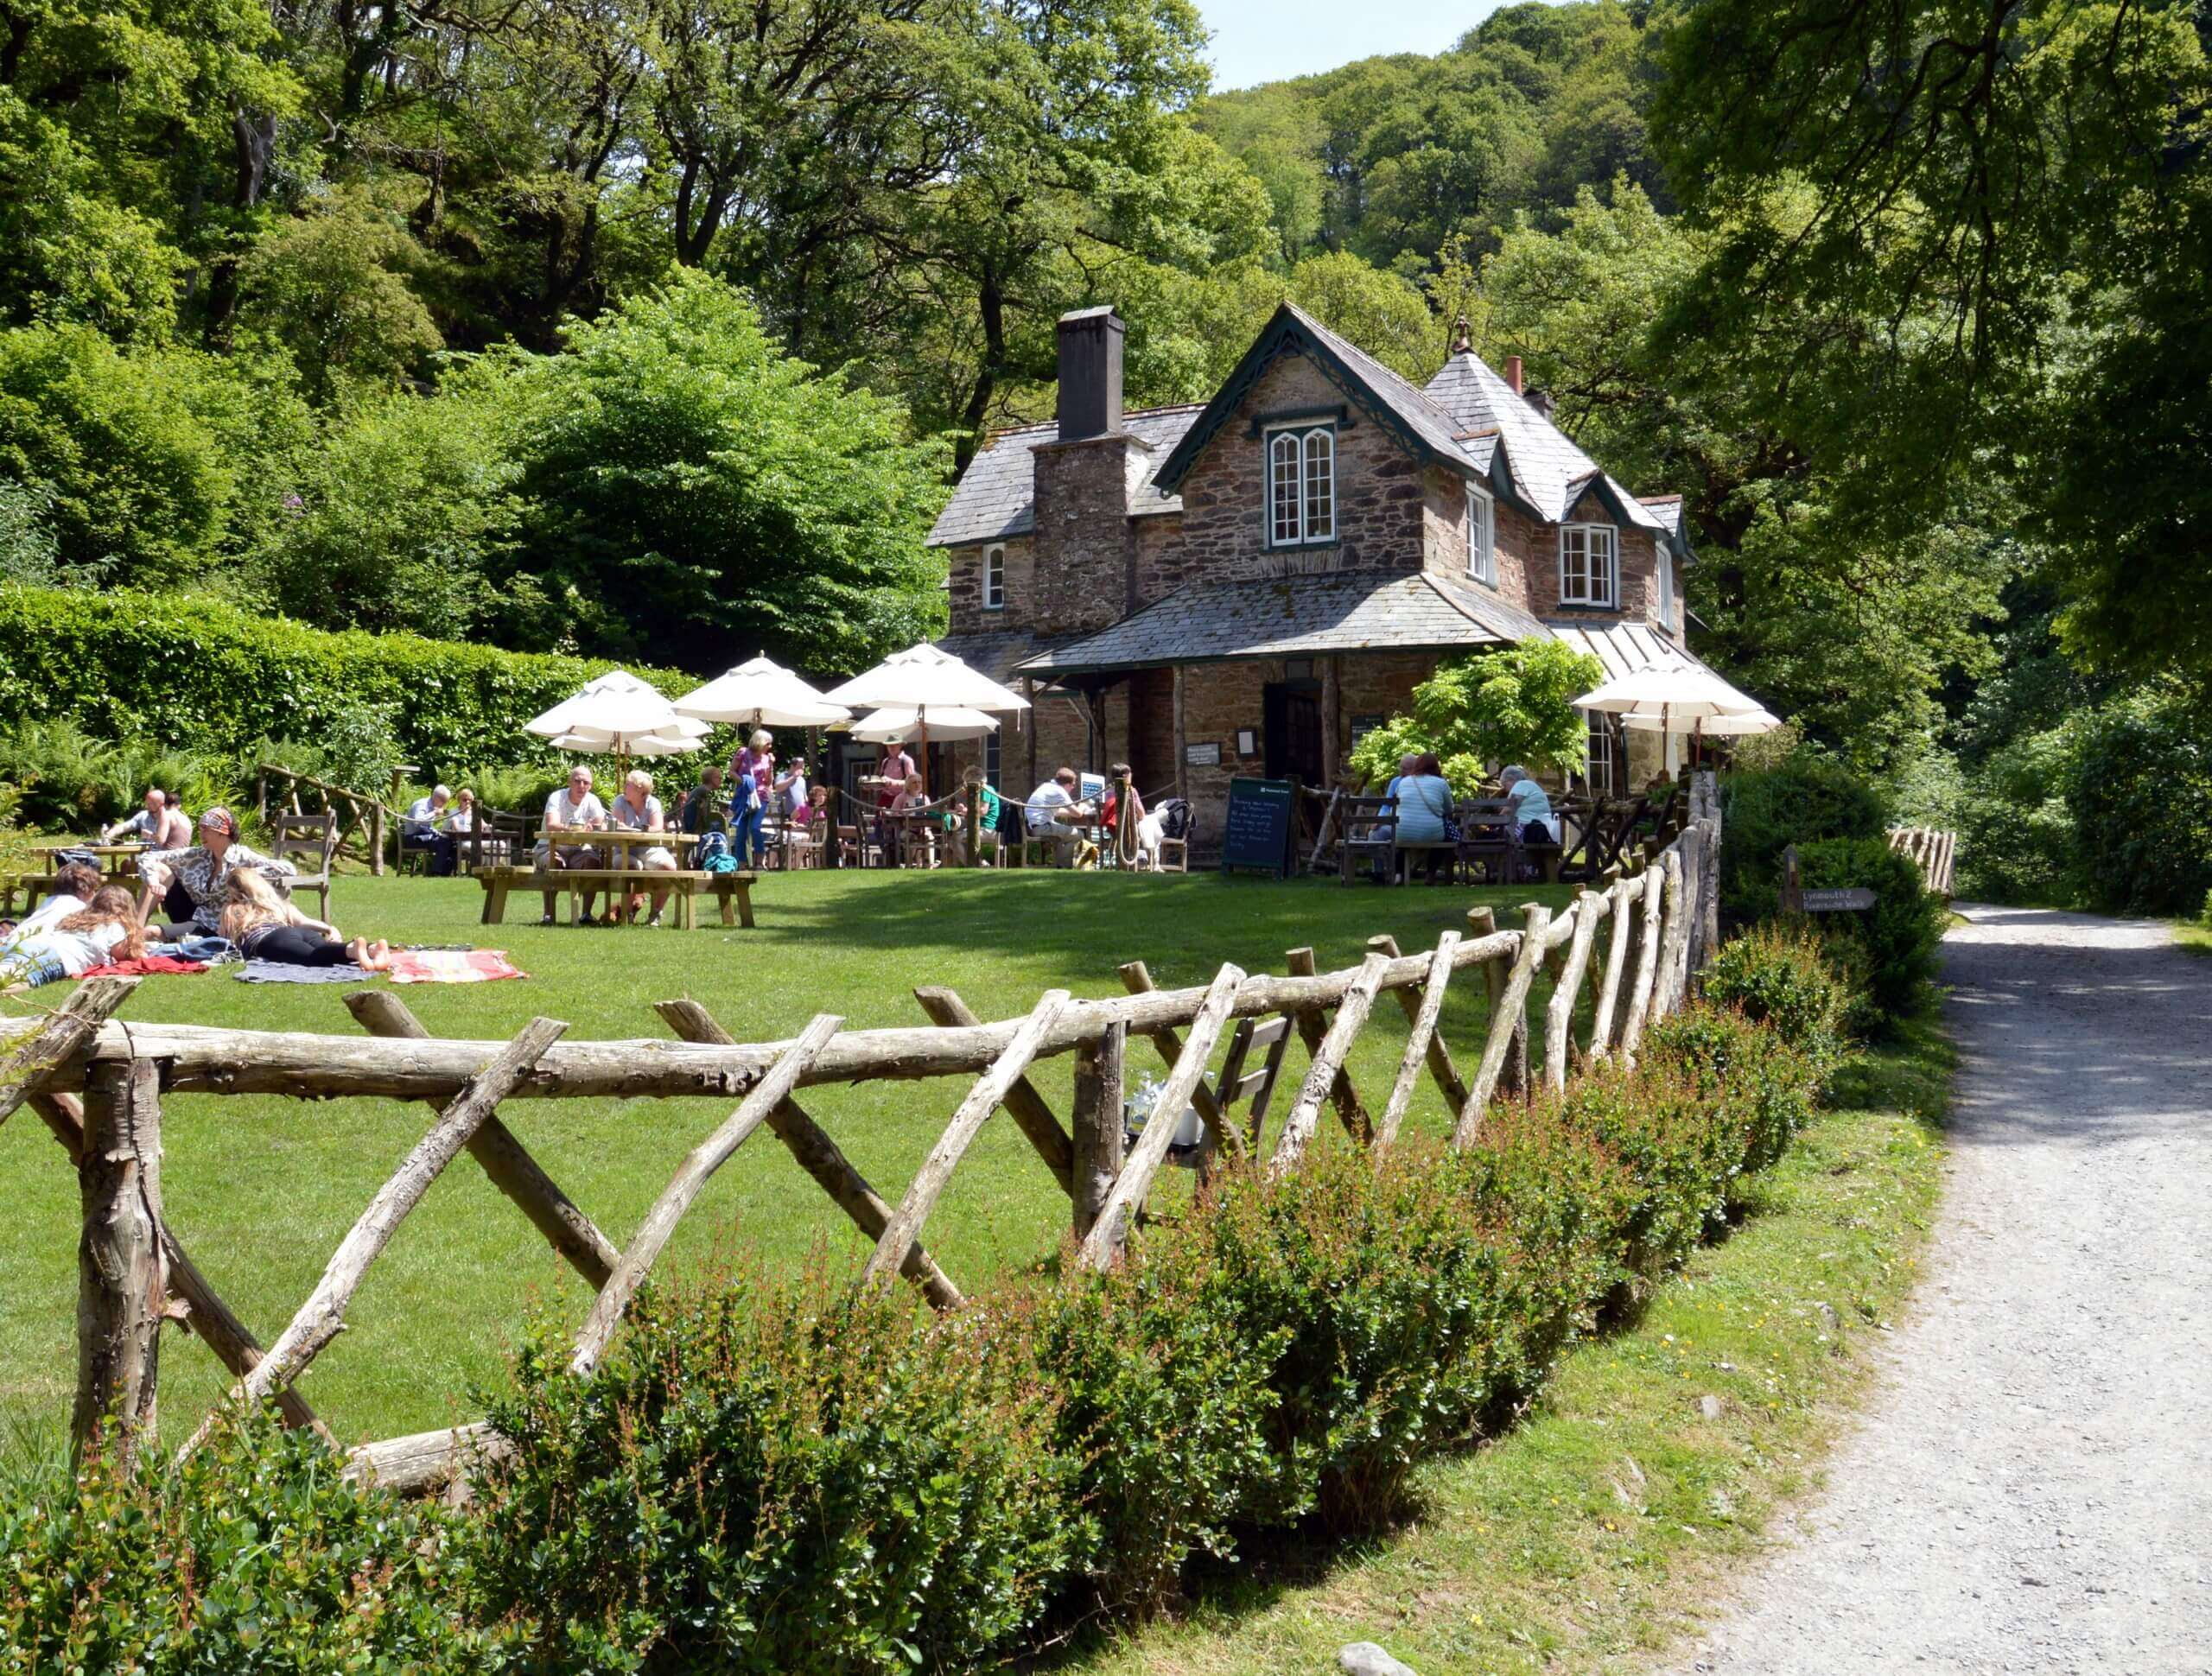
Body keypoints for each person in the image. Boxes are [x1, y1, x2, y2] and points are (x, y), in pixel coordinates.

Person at [138, 808, 296, 937]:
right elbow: (148, 858)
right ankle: (136, 929)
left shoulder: (243, 857)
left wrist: (244, 874)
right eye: (200, 829)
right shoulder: (197, 855)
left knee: (154, 932)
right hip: (189, 912)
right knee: (159, 870)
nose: (201, 834)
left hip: (217, 924)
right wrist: (153, 882)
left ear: (223, 832)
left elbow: (288, 869)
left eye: (206, 830)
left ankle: (140, 937)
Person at [220, 868, 393, 970]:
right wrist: (328, 929)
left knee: (312, 959)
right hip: (298, 932)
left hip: (268, 941)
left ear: (234, 890)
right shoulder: (277, 904)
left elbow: (225, 939)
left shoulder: (232, 909)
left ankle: (356, 949)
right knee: (326, 950)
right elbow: (304, 922)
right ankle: (371, 949)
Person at [0, 886, 145, 991]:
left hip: (27, 944)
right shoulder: (114, 926)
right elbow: (128, 956)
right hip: (52, 956)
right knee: (8, 983)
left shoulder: (74, 918)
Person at [536, 766, 609, 925]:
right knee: (554, 862)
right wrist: (571, 828)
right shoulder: (557, 797)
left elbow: (601, 824)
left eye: (586, 782)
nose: (581, 785)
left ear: (590, 785)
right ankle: (548, 915)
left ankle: (586, 914)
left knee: (593, 862)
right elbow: (551, 825)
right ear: (569, 782)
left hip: (578, 850)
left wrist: (595, 827)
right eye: (577, 781)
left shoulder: (593, 800)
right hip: (549, 847)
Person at [607, 768, 678, 926]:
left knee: (670, 868)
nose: (624, 788)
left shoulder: (653, 802)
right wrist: (637, 829)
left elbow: (658, 827)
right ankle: (627, 914)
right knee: (632, 866)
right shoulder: (620, 801)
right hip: (625, 849)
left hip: (650, 849)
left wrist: (636, 829)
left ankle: (656, 914)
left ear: (640, 790)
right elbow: (617, 825)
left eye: (628, 785)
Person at [1391, 752, 1457, 883]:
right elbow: (1450, 809)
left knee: (1404, 838)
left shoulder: (1404, 782)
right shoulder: (1441, 783)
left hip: (1402, 831)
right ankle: (1431, 874)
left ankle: (1399, 874)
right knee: (1445, 838)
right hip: (1431, 832)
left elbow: (1396, 804)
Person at [0, 862, 102, 943]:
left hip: (11, 942)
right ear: (83, 890)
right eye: (94, 890)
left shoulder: (50, 902)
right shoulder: (79, 908)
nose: (94, 895)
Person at [731, 730, 776, 867]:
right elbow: (731, 772)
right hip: (744, 796)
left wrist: (771, 765)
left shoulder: (767, 758)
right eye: (768, 743)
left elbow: (768, 783)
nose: (770, 747)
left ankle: (759, 860)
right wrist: (743, 782)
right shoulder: (743, 753)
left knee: (756, 828)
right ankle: (742, 862)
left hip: (761, 797)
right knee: (741, 831)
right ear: (760, 742)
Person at [1025, 766, 1082, 866]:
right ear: (1067, 784)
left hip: (1032, 826)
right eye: (1073, 785)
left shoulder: (1046, 786)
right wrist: (1083, 807)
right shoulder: (1060, 791)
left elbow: (1057, 811)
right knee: (1078, 835)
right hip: (1041, 828)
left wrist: (1074, 811)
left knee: (1064, 834)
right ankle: (1062, 865)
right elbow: (1078, 814)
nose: (1073, 787)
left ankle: (1058, 863)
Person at [102, 789, 193, 850]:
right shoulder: (143, 815)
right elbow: (125, 826)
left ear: (161, 804)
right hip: (145, 853)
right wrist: (110, 834)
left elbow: (161, 840)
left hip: (161, 856)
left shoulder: (168, 816)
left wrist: (149, 835)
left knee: (133, 864)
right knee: (126, 864)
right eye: (147, 803)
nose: (147, 806)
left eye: (150, 804)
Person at [947, 765, 1001, 866]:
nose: (964, 786)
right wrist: (965, 811)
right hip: (984, 827)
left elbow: (983, 811)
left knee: (954, 840)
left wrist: (965, 810)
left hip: (988, 828)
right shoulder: (986, 789)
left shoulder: (985, 790)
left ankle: (973, 865)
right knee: (959, 837)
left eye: (966, 783)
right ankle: (981, 864)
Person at [403, 784, 458, 877]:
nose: (444, 804)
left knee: (453, 843)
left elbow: (427, 827)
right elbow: (418, 821)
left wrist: (438, 832)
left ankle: (445, 874)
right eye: (444, 801)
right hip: (413, 838)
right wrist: (435, 813)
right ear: (436, 798)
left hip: (424, 836)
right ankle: (436, 873)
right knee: (443, 842)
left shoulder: (432, 806)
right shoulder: (422, 804)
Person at [1499, 764, 1556, 846]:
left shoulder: (1520, 785)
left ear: (1511, 779)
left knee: (1496, 834)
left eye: (1504, 785)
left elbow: (1509, 809)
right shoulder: (1530, 785)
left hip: (1528, 828)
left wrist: (1495, 822)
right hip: (1540, 829)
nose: (1505, 789)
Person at [680, 765, 728, 837]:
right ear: (712, 779)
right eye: (719, 778)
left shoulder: (700, 789)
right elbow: (705, 817)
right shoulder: (704, 792)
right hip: (695, 830)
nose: (721, 780)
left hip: (690, 826)